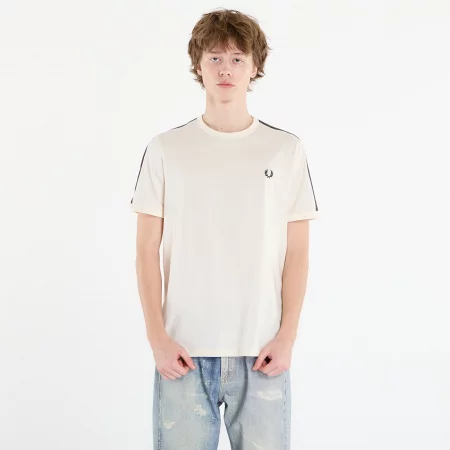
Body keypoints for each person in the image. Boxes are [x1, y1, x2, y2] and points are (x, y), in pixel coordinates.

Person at [130, 8, 319, 450]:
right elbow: (145, 250)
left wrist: (287, 336)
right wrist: (157, 338)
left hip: (262, 353)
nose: (225, 69)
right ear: (198, 65)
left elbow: (298, 252)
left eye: (237, 58)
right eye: (214, 58)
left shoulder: (284, 149)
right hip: (182, 354)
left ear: (255, 67)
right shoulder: (166, 149)